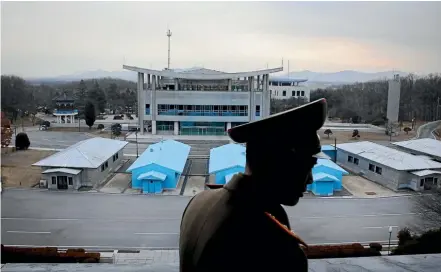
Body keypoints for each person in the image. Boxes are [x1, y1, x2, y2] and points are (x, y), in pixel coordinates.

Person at [179, 98, 328, 272]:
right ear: (280, 163)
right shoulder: (271, 239)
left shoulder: (199, 201)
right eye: (306, 167)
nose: (310, 179)